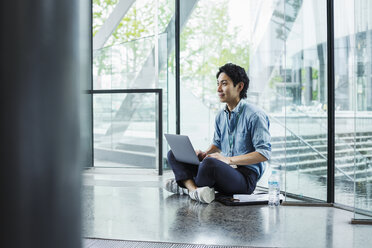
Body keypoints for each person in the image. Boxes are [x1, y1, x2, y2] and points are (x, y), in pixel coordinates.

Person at [165, 63, 271, 204]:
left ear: (239, 86)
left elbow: (264, 153)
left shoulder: (255, 115)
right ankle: (195, 190)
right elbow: (217, 144)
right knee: (174, 153)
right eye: (218, 84)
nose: (218, 89)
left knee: (210, 164)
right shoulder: (220, 115)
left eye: (224, 84)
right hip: (224, 170)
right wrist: (203, 153)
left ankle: (187, 185)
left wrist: (228, 160)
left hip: (244, 178)